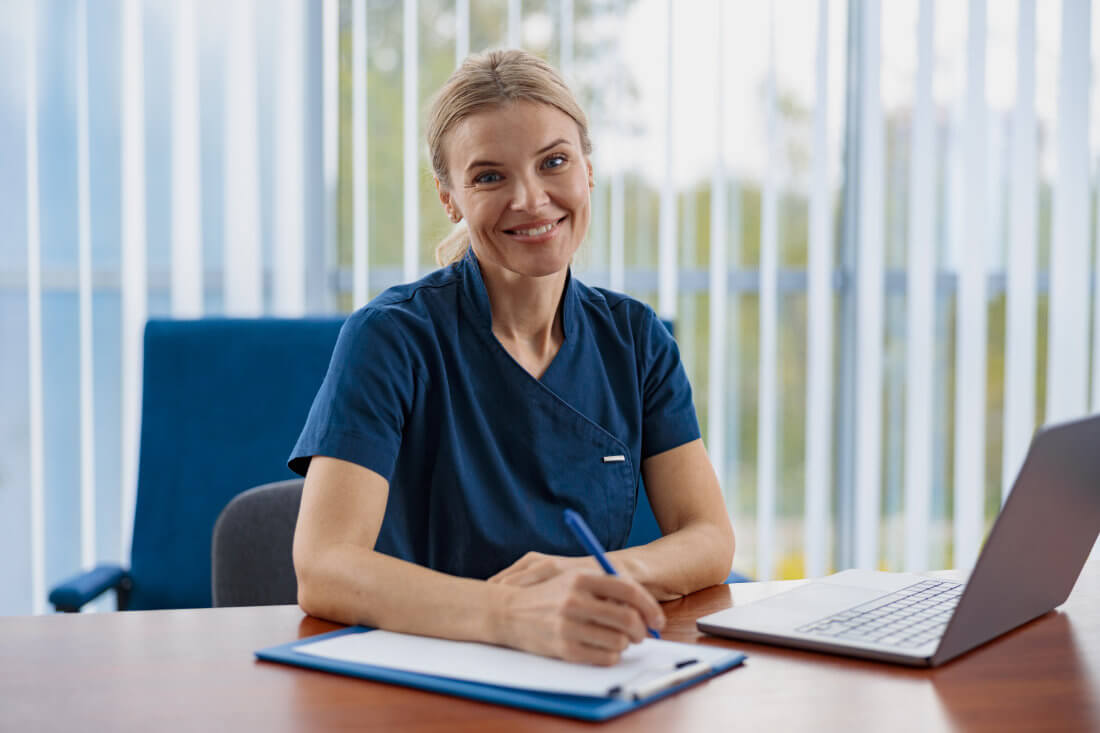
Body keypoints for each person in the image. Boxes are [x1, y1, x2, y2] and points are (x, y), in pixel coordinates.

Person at [290, 49, 734, 666]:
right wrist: (513, 615)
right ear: (450, 198)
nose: (530, 199)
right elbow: (325, 567)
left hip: (583, 669)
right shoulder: (389, 339)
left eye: (554, 162)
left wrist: (582, 578)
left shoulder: (636, 341)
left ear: (588, 171)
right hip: (427, 675)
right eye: (489, 176)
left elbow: (710, 538)